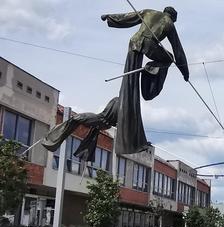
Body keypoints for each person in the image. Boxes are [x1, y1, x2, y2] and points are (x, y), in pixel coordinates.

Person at [101, 6, 189, 155]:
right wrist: (185, 72)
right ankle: (151, 71)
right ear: (173, 17)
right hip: (148, 46)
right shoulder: (169, 23)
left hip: (133, 43)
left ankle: (151, 69)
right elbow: (178, 50)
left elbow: (128, 17)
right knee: (169, 58)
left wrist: (109, 17)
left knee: (129, 83)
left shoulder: (149, 12)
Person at [41, 97, 119, 163]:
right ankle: (52, 139)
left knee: (76, 120)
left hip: (102, 121)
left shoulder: (119, 103)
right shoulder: (117, 101)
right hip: (102, 121)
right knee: (76, 120)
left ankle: (52, 140)